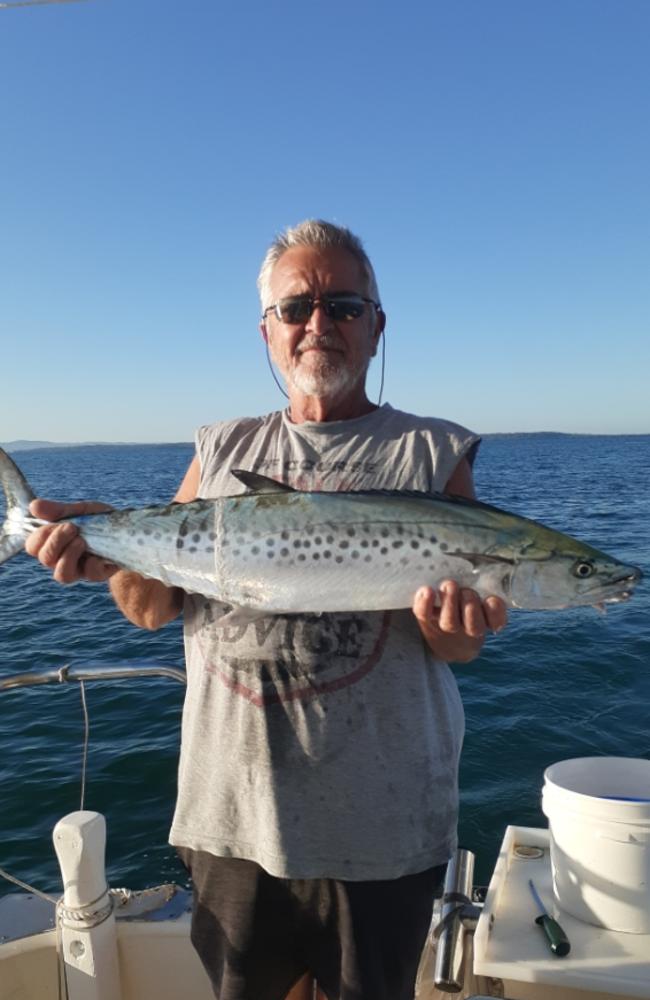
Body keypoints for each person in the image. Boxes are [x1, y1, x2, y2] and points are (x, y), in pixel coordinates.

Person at [25, 220, 508, 1000]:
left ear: (377, 326)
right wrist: (108, 556)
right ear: (267, 332)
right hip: (234, 816)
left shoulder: (432, 451)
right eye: (296, 309)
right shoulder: (219, 448)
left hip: (382, 827)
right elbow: (152, 607)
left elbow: (455, 649)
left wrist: (454, 626)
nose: (319, 324)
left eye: (344, 306)